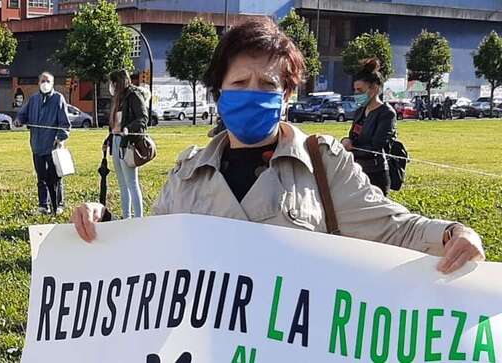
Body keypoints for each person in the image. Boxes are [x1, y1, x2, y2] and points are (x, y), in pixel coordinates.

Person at [70, 18, 484, 275]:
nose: (253, 93)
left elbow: (393, 228)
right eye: (239, 83)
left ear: (287, 95)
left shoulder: (324, 164)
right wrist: (102, 224)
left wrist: (453, 234)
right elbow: (148, 248)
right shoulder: (188, 172)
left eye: (268, 85)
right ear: (218, 93)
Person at [14, 72, 71, 215]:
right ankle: (43, 205)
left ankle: (58, 204)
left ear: (52, 83)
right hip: (37, 145)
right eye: (42, 81)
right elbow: (23, 114)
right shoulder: (33, 99)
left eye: (48, 81)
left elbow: (65, 123)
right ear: (39, 83)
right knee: (41, 177)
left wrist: (60, 138)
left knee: (55, 178)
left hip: (52, 146)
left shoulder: (58, 99)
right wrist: (19, 120)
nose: (45, 83)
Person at [341, 58, 396, 196]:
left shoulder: (387, 113)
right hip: (356, 171)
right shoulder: (360, 111)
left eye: (360, 90)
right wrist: (345, 141)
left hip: (376, 174)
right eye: (355, 90)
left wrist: (352, 147)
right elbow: (352, 136)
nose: (356, 94)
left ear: (374, 89)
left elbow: (376, 147)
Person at [104, 69, 147, 219]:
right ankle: (126, 217)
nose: (111, 86)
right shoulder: (117, 98)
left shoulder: (133, 95)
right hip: (116, 141)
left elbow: (142, 118)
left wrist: (129, 129)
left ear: (118, 82)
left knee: (131, 183)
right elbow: (114, 125)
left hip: (128, 143)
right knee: (122, 184)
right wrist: (108, 140)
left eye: (113, 82)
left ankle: (138, 218)